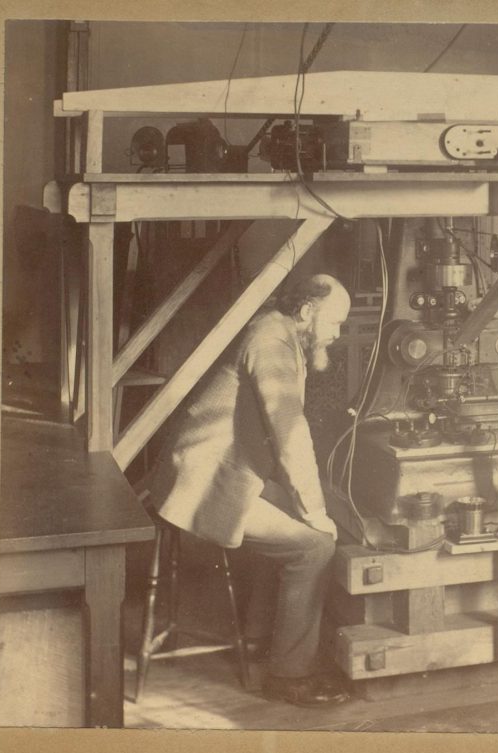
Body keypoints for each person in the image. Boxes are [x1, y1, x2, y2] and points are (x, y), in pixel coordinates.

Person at [147, 274, 352, 706]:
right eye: (334, 322)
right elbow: (290, 433)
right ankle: (289, 676)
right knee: (314, 546)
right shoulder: (271, 341)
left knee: (300, 524)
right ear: (308, 311)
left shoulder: (277, 331)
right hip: (201, 483)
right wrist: (315, 511)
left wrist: (306, 503)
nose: (337, 333)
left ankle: (261, 637)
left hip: (215, 472)